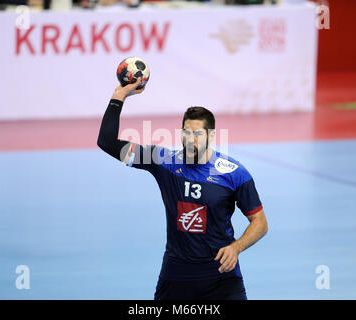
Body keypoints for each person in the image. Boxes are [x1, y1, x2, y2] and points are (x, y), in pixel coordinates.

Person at [97, 78, 268, 300]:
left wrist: (236, 248)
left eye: (197, 134)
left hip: (221, 274)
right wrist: (119, 96)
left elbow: (260, 222)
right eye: (186, 133)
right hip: (176, 274)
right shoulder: (163, 161)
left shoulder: (234, 173)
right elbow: (107, 142)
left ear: (212, 136)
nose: (190, 140)